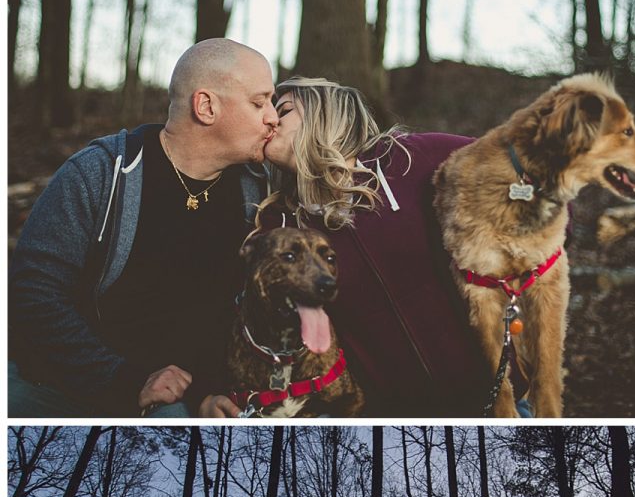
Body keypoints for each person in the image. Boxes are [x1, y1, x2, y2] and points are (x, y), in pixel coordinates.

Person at [8, 40, 278, 420]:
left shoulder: (256, 191)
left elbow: (227, 316)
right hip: (62, 385)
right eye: (258, 102)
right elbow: (32, 293)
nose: (272, 118)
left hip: (180, 400)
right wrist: (123, 380)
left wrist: (206, 390)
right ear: (206, 107)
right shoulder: (101, 174)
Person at [256, 77, 487, 415]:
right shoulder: (280, 224)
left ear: (324, 113)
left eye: (284, 110)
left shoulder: (412, 159)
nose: (271, 120)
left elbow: (526, 175)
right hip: (391, 421)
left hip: (499, 397)